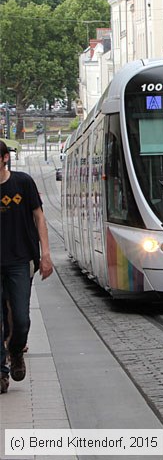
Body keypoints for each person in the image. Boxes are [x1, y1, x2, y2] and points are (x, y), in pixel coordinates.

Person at [0, 140, 53, 394]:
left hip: (20, 261)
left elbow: (39, 217)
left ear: (4, 159)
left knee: (20, 318)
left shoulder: (23, 182)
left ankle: (16, 350)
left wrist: (46, 254)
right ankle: (1, 372)